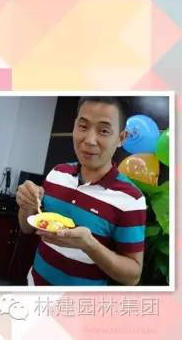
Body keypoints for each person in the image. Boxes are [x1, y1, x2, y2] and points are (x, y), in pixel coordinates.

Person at [16, 97, 147, 286]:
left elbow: (132, 276)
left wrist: (89, 246)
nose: (90, 140)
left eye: (103, 131)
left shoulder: (131, 199)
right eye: (83, 126)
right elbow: (27, 227)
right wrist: (26, 205)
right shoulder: (57, 173)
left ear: (121, 138)